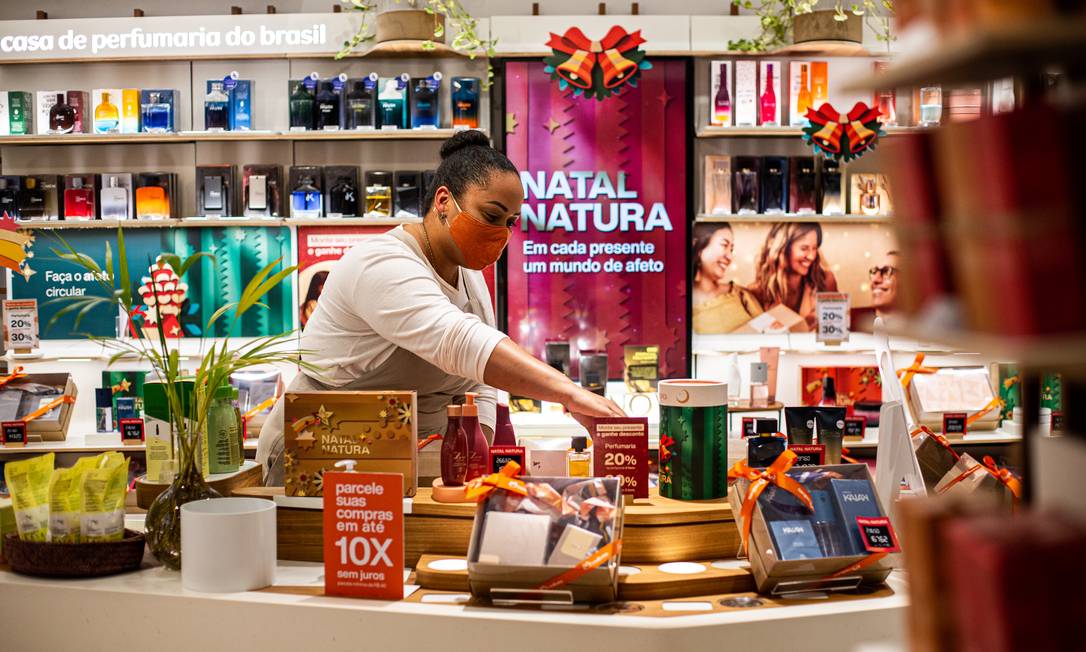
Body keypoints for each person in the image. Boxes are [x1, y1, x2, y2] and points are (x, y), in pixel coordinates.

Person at [257, 131, 624, 484]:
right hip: (322, 449)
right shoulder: (381, 263)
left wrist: (472, 458)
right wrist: (570, 393)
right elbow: (459, 342)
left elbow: (476, 382)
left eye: (511, 223)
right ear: (444, 202)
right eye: (492, 216)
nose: (503, 233)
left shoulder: (468, 274)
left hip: (411, 462)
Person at [750, 222, 838, 331]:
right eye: (804, 248)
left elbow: (836, 333)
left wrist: (810, 321)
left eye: (814, 248)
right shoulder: (755, 292)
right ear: (782, 248)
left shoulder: (825, 281)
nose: (811, 256)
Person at [691, 222, 764, 333]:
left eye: (731, 249)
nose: (730, 256)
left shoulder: (740, 295)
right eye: (724, 245)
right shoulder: (678, 303)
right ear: (699, 247)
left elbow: (771, 332)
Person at [852, 251, 900, 332]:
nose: (875, 280)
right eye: (874, 272)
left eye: (886, 271)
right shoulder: (855, 323)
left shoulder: (922, 330)